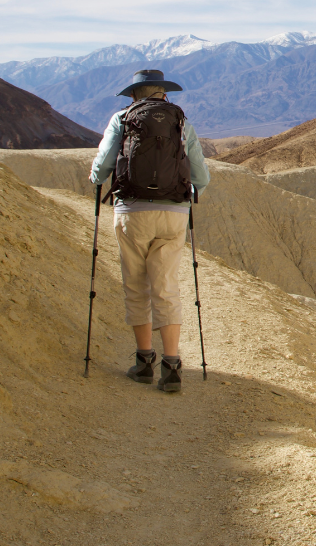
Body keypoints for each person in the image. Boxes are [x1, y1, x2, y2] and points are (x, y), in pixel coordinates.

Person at [90, 69, 210, 392]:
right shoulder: (181, 123)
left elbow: (100, 169)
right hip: (173, 214)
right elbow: (202, 179)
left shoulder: (122, 119)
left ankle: (144, 362)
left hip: (132, 212)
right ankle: (171, 366)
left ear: (134, 95)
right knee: (166, 285)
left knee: (136, 283)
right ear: (163, 94)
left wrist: (97, 178)